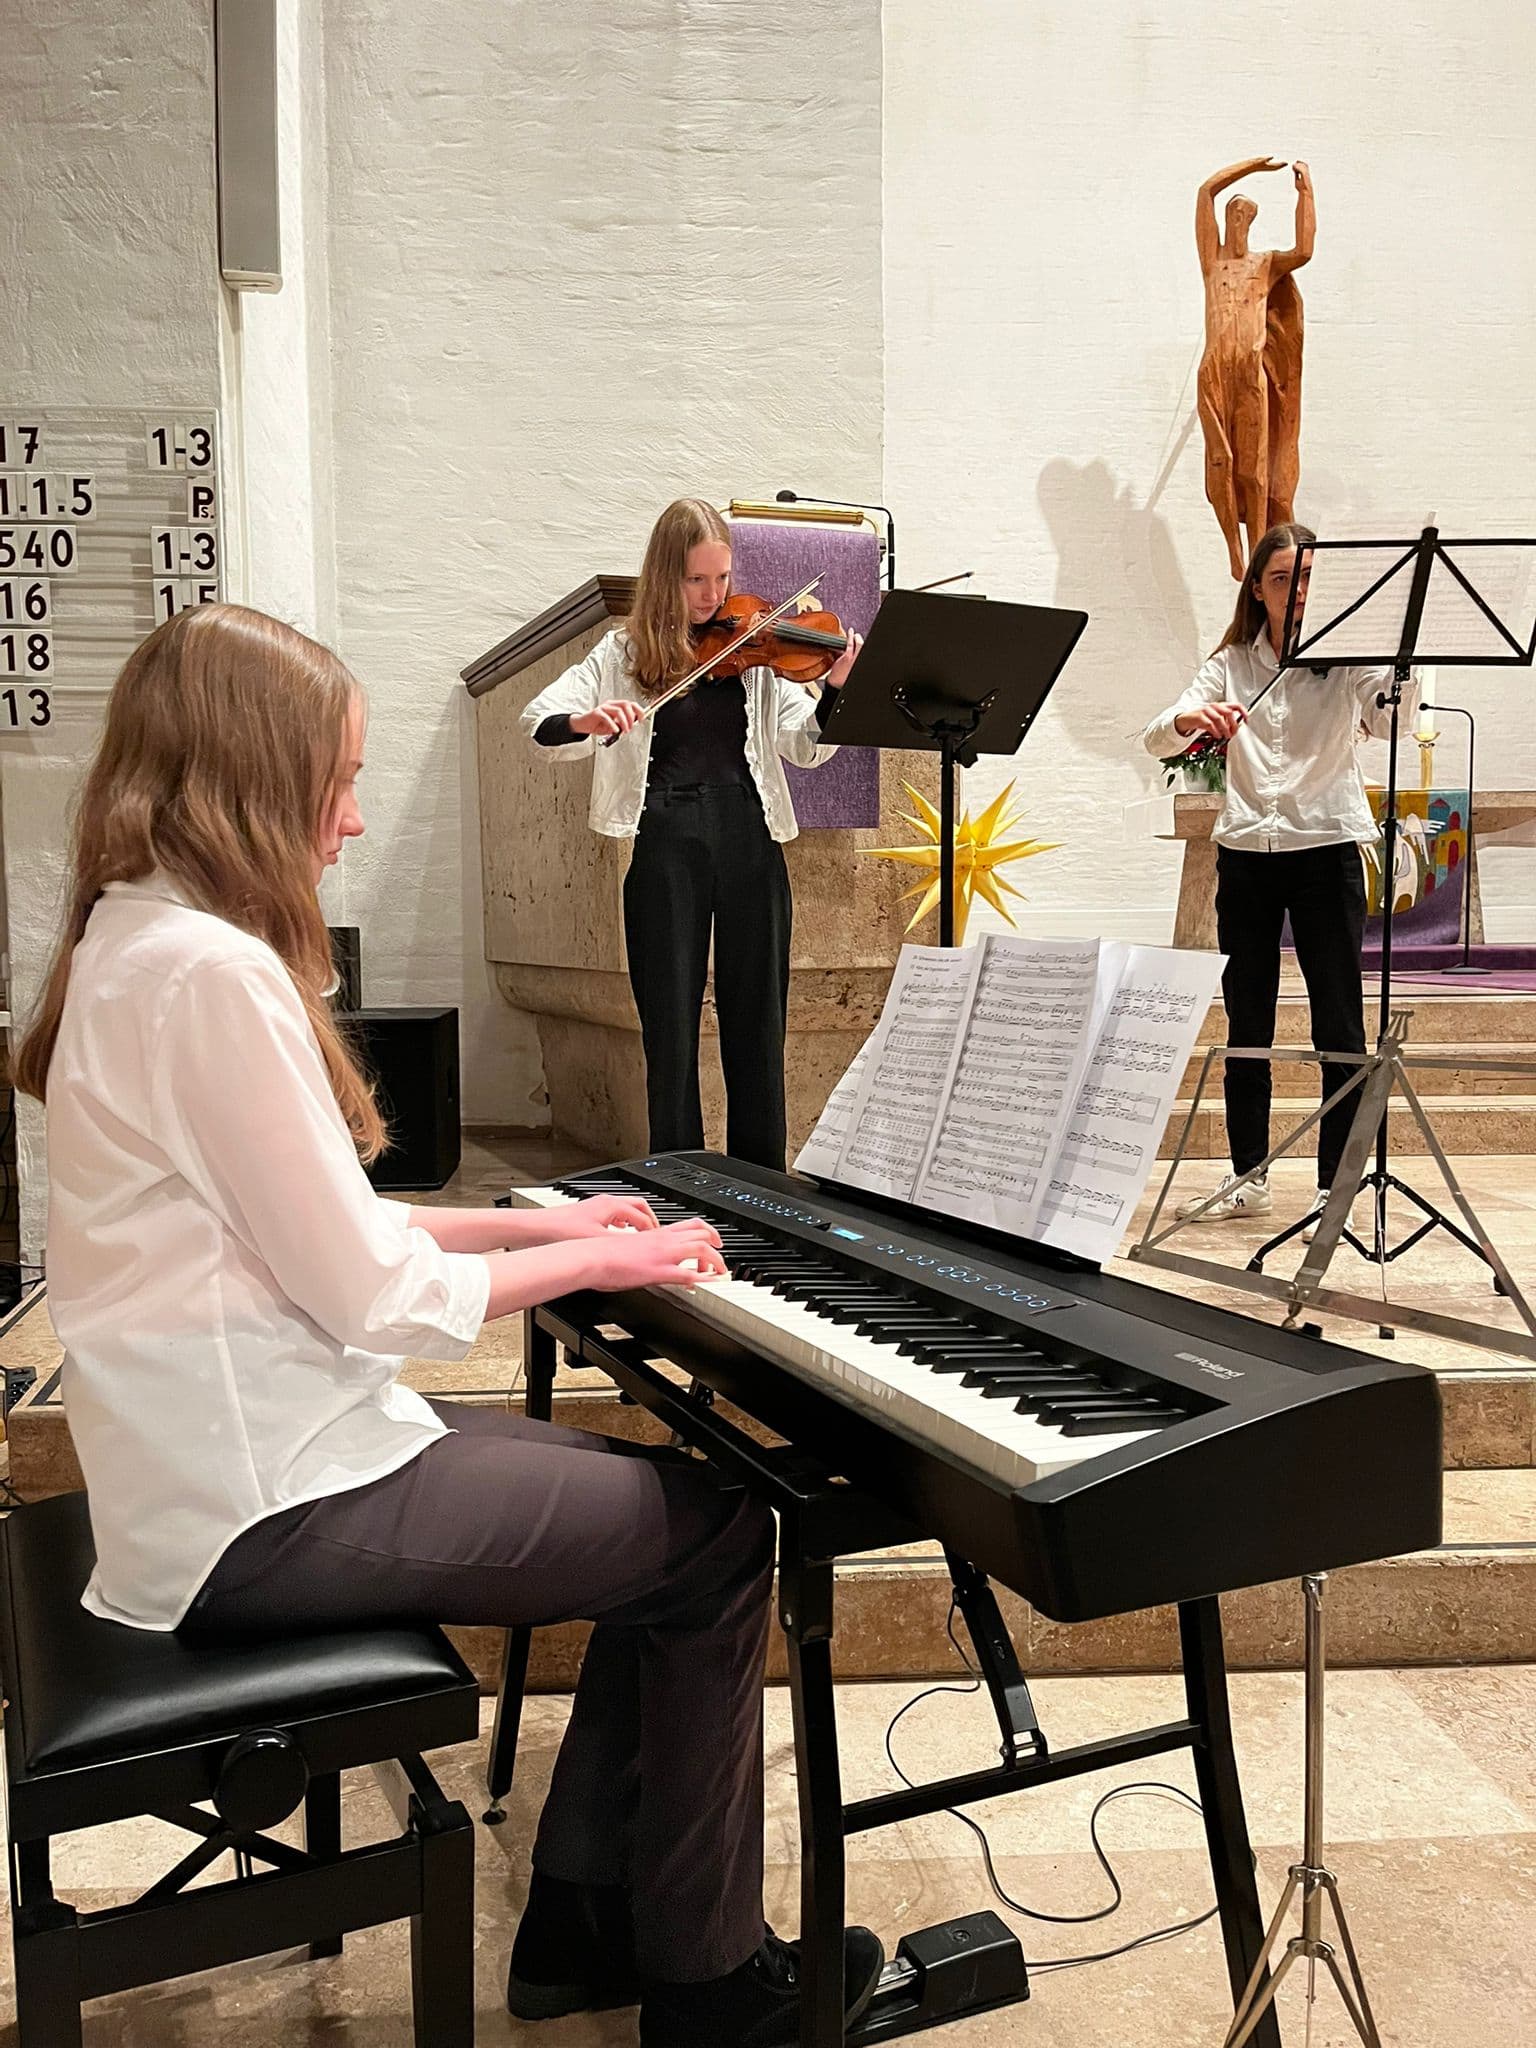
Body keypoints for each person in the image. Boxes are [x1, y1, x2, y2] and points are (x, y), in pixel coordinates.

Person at [15, 602, 883, 2047]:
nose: (350, 821)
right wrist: (616, 1260)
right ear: (254, 780)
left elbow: (326, 1231)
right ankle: (705, 1985)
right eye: (334, 782)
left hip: (216, 1461)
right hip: (262, 1500)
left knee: (674, 1523)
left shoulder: (138, 934)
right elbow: (375, 1294)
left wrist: (547, 1226)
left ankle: (587, 1922)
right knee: (724, 1533)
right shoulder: (211, 972)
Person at [523, 497, 862, 1171]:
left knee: (757, 1018)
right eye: (696, 580)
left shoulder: (759, 646)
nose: (714, 596)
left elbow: (804, 746)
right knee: (669, 1023)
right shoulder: (622, 651)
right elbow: (540, 720)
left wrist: (837, 692)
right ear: (664, 578)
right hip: (665, 837)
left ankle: (762, 1180)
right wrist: (589, 722)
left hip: (749, 833)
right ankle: (677, 1176)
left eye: (722, 579)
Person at [1143, 523, 1416, 1235]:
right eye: (1280, 579)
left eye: (1306, 579)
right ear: (1256, 589)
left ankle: (1335, 1184)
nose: (1296, 592)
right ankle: (1248, 1175)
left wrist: (1406, 661)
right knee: (1248, 1024)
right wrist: (1189, 718)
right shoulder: (1233, 662)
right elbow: (1158, 733)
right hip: (1247, 859)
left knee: (1339, 1023)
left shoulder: (1351, 663)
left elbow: (1395, 722)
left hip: (1326, 851)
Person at [1196, 157, 1315, 580]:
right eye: (1236, 214)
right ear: (1229, 220)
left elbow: (1303, 251)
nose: (1241, 222)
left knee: (1255, 469)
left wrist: (1305, 194)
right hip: (1215, 372)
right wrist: (1252, 168)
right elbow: (1206, 191)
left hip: (1250, 375)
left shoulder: (1263, 265)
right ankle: (1234, 552)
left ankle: (1260, 550)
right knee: (1220, 463)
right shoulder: (1213, 263)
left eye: (1248, 216)